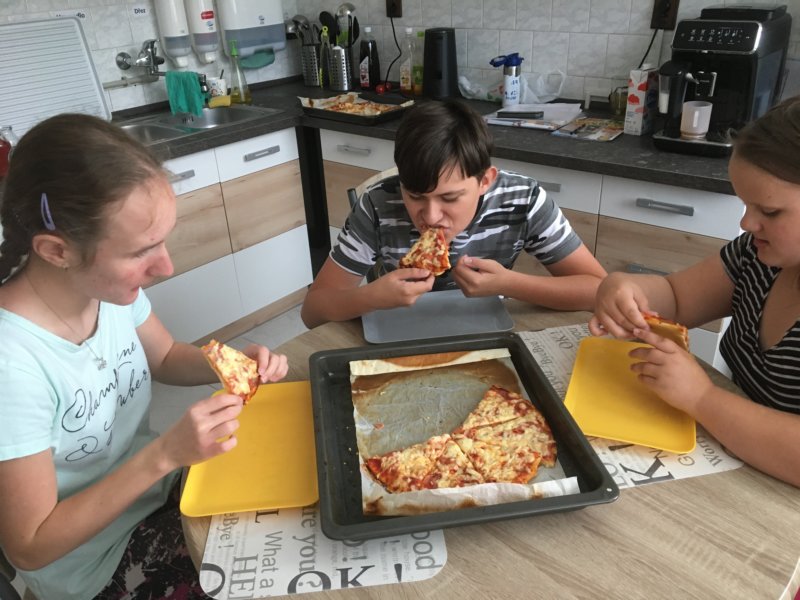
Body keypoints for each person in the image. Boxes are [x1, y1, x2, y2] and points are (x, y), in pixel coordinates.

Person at [0, 113, 289, 599]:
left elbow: (166, 356)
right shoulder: (12, 365)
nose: (166, 266)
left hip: (159, 493)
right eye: (141, 251)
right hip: (95, 562)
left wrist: (229, 362)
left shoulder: (108, 293)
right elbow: (29, 546)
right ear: (56, 250)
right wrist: (165, 454)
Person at [589, 95, 800, 488]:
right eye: (745, 205)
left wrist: (702, 399)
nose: (747, 223)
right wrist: (623, 288)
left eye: (770, 212)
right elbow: (677, 297)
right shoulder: (756, 255)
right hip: (730, 464)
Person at [301, 100, 607, 328]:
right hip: (400, 328)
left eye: (449, 198)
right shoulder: (377, 205)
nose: (431, 217)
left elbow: (599, 290)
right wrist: (371, 296)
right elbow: (312, 311)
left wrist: (508, 284)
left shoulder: (524, 200)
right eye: (415, 196)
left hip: (489, 326)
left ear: (485, 181)